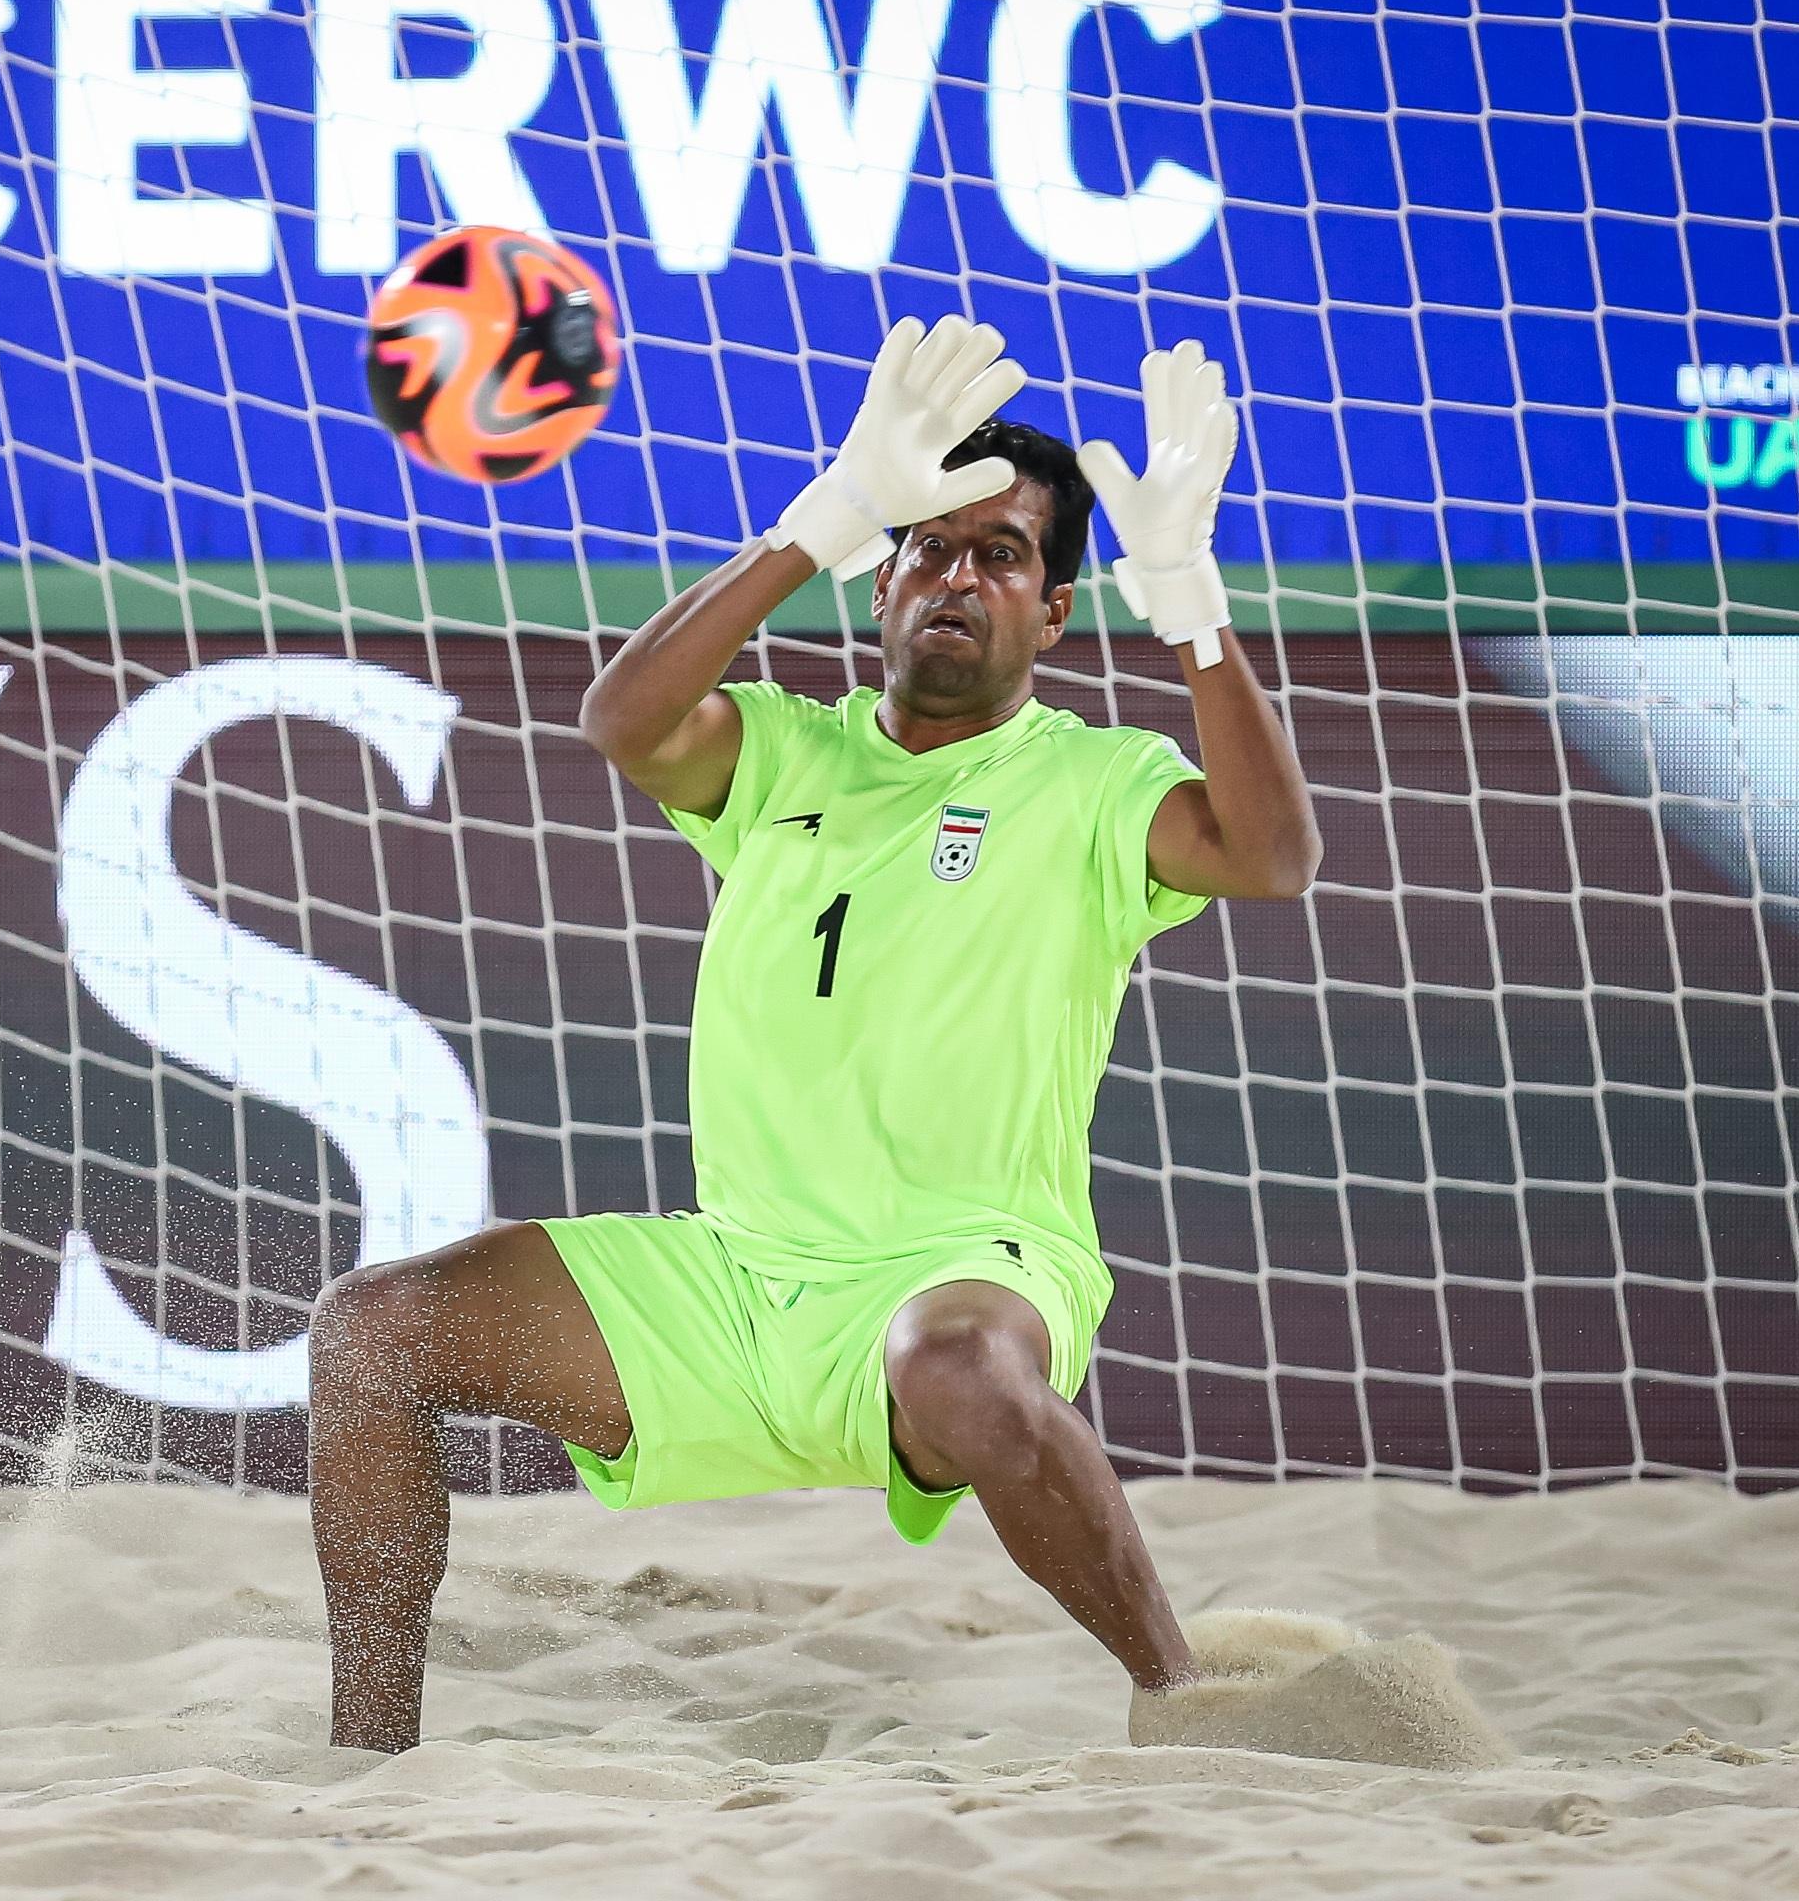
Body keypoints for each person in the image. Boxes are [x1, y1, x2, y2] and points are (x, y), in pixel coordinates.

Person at [307, 316, 1321, 1755]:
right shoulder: (787, 747)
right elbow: (622, 718)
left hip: (970, 1268)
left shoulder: (1100, 783)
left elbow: (1272, 858)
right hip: (734, 1280)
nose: (956, 576)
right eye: (927, 545)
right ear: (882, 581)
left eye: (1001, 555)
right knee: (373, 1333)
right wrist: (828, 511)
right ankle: (369, 1763)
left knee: (959, 1369)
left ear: (1055, 614)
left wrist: (1194, 604)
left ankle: (1188, 1701)